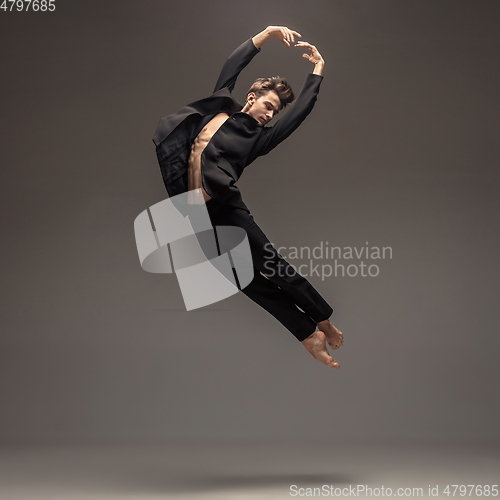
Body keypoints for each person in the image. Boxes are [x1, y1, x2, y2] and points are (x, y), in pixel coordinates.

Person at [153, 26, 344, 368]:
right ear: (252, 97)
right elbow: (232, 65)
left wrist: (317, 70)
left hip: (227, 210)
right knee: (245, 281)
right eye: (269, 106)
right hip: (195, 216)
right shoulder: (218, 109)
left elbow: (299, 112)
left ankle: (323, 319)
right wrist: (267, 33)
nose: (270, 115)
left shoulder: (259, 138)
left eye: (274, 112)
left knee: (274, 267)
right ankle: (307, 333)